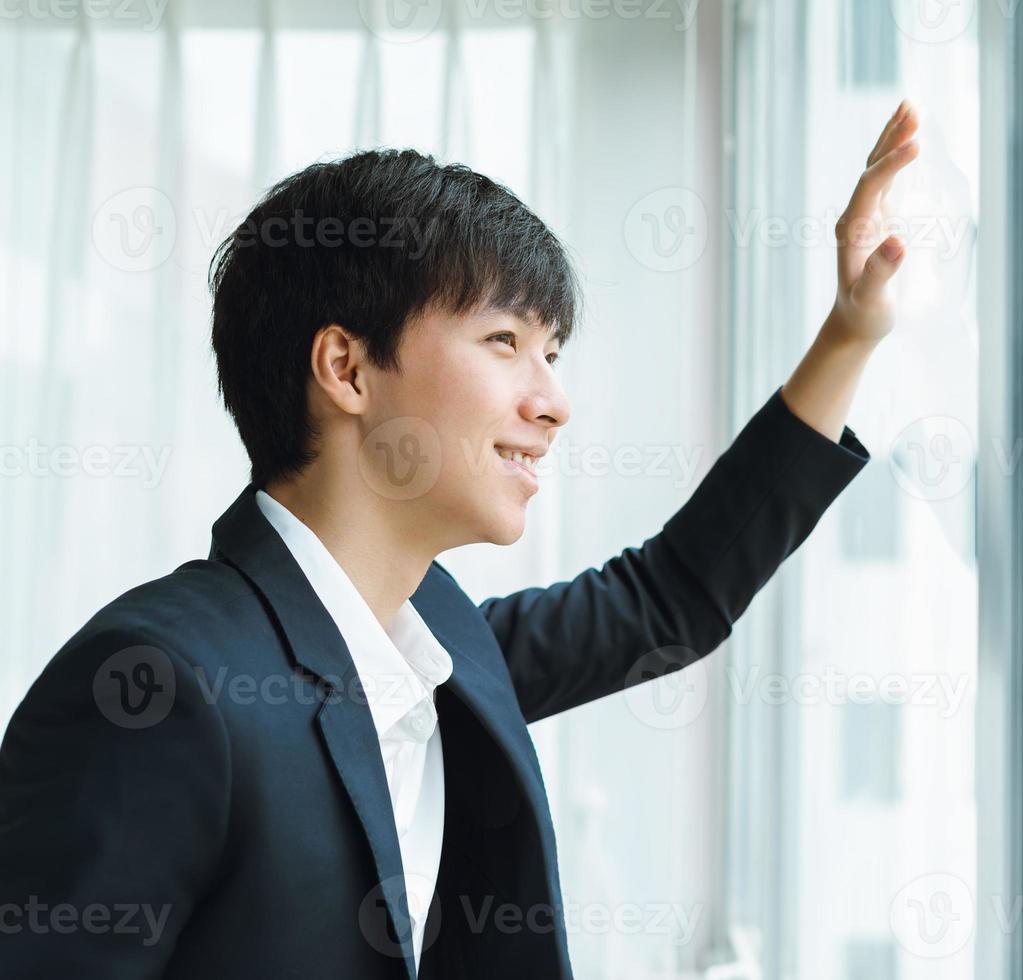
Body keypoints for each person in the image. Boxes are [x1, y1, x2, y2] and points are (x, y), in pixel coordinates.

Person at [0, 102, 922, 978]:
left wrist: (849, 333)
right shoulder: (162, 688)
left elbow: (666, 600)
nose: (554, 402)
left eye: (551, 354)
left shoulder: (436, 646)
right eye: (504, 341)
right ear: (347, 368)